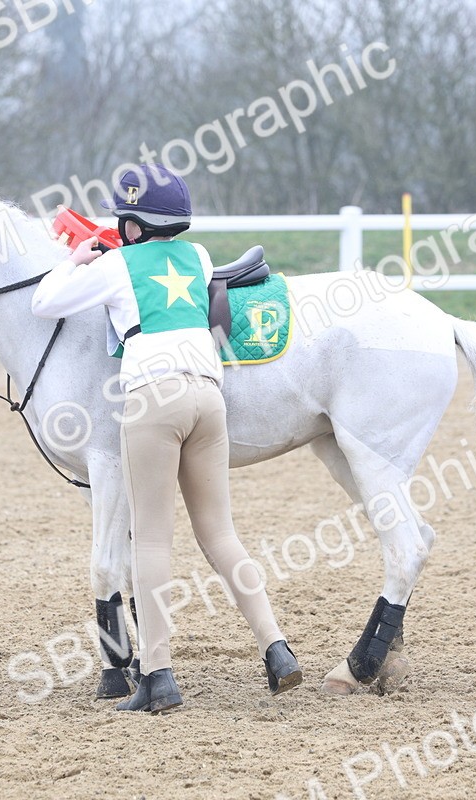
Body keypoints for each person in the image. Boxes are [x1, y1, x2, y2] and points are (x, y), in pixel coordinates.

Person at [31, 164, 301, 713]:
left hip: (153, 402)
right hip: (209, 400)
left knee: (152, 541)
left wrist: (76, 261)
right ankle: (276, 647)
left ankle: (158, 676)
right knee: (220, 534)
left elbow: (43, 303)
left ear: (131, 225)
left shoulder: (116, 265)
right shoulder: (199, 258)